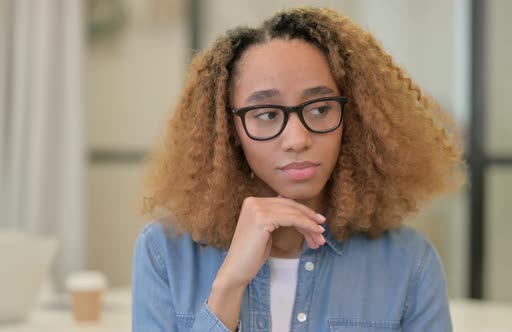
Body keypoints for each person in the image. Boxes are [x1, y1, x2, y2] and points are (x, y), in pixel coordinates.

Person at [132, 6, 464, 332]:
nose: (297, 139)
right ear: (228, 130)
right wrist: (229, 284)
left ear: (354, 118)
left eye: (320, 108)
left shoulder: (409, 262)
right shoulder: (165, 254)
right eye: (266, 114)